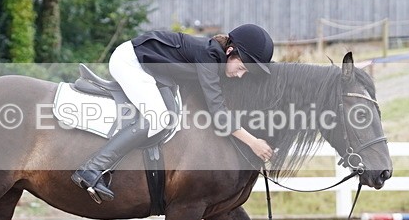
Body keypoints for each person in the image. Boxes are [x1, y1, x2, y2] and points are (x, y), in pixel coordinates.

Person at [71, 23, 275, 203]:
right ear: (230, 50)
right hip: (130, 62)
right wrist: (252, 142)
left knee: (170, 116)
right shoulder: (210, 57)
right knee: (158, 119)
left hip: (155, 72)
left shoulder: (215, 57)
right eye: (241, 67)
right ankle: (92, 168)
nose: (240, 75)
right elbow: (217, 111)